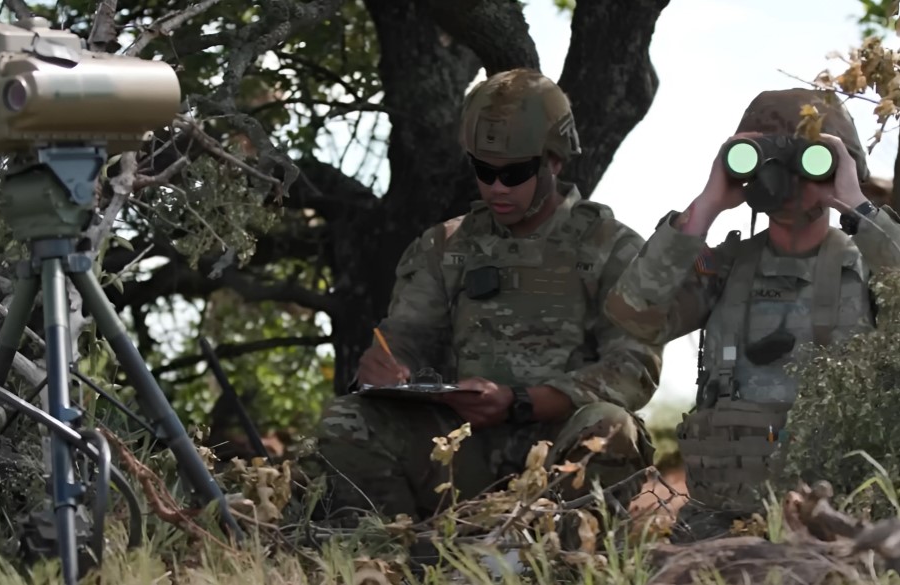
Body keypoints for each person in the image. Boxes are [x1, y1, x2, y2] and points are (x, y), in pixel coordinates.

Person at [307, 68, 662, 527]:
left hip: (561, 446)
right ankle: (390, 557)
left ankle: (562, 562)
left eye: (514, 172)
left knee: (612, 426)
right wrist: (388, 364)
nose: (496, 187)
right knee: (347, 420)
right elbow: (406, 337)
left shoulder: (612, 247)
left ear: (554, 161)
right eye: (483, 170)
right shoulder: (444, 246)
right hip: (458, 453)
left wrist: (521, 400)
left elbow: (634, 367)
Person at [602, 88, 900, 541]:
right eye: (768, 160)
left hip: (840, 527)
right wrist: (705, 207)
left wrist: (857, 206)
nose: (787, 180)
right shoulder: (723, 266)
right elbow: (633, 313)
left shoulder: (871, 267)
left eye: (807, 162)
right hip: (719, 523)